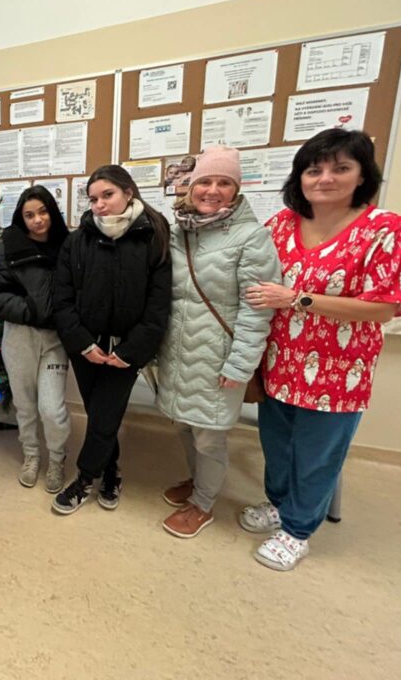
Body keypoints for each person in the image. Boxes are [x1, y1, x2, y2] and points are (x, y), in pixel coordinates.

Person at [241, 128, 401, 570]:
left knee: (317, 455)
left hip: (339, 371)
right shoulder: (281, 225)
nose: (325, 178)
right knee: (276, 445)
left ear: (362, 175)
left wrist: (298, 299)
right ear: (299, 177)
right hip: (279, 360)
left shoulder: (385, 228)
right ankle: (278, 505)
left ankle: (298, 530)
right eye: (314, 169)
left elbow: (384, 308)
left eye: (340, 168)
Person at [155, 146, 279, 538]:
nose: (212, 190)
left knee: (209, 435)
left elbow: (257, 310)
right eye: (205, 181)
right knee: (184, 424)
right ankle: (198, 483)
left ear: (236, 189)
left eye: (224, 182)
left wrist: (240, 364)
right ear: (191, 186)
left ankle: (203, 504)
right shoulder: (179, 232)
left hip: (218, 356)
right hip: (177, 351)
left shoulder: (252, 237)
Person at [51, 165, 172, 515]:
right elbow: (62, 299)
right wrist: (83, 344)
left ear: (128, 192)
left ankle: (85, 478)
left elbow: (158, 304)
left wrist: (130, 351)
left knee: (104, 415)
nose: (100, 205)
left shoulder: (153, 236)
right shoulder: (77, 240)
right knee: (100, 414)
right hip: (86, 347)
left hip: (126, 348)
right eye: (93, 199)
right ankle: (111, 471)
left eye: (108, 195)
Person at [0, 186, 72, 493]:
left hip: (55, 340)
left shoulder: (68, 245)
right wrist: (29, 311)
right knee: (25, 405)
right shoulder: (8, 246)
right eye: (29, 215)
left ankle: (57, 458)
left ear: (52, 212)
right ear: (22, 217)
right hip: (19, 336)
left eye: (43, 212)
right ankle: (31, 455)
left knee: (52, 409)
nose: (37, 220)